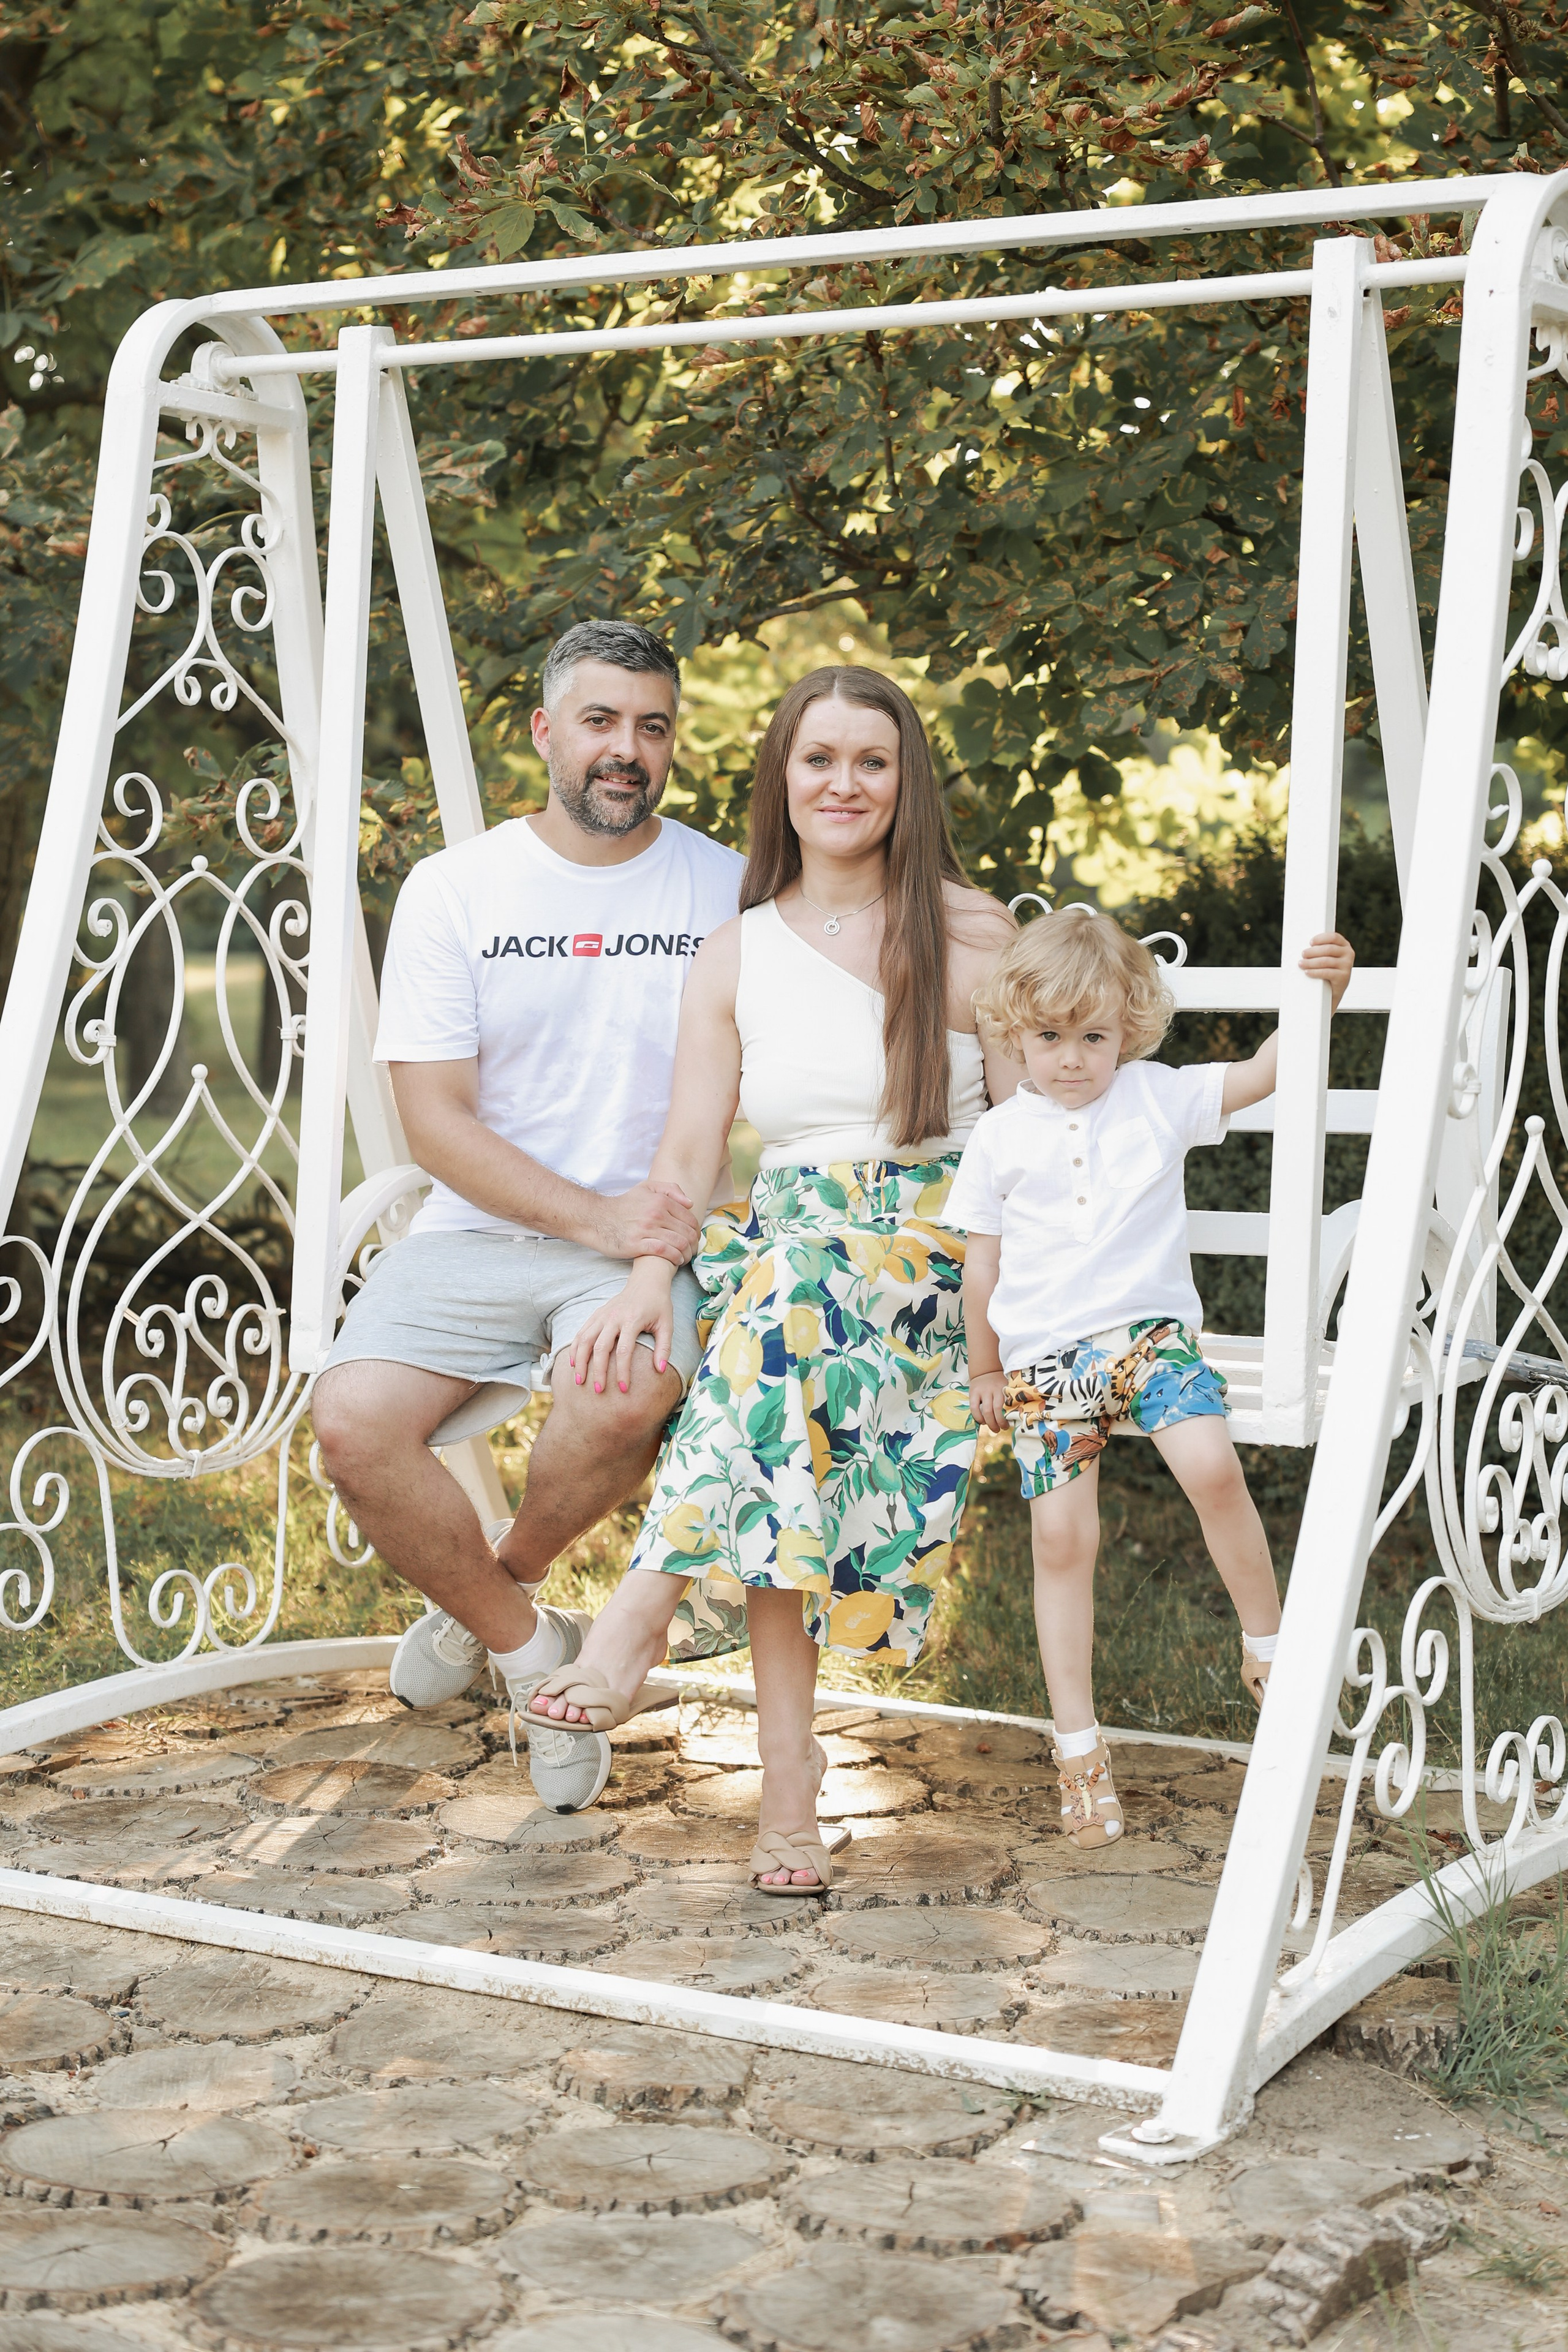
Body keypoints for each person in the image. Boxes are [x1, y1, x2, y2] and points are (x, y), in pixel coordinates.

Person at [522, 665, 1019, 1875]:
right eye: (817, 760)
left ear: (903, 784)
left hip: (932, 1251)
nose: (841, 783)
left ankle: (640, 1621)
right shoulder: (735, 949)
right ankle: (784, 1794)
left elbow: (1025, 1141)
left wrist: (1007, 1300)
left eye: (869, 761)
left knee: (780, 1318)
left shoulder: (971, 930)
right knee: (781, 1344)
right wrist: (648, 1276)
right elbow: (689, 1148)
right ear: (780, 781)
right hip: (795, 1263)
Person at [311, 620, 744, 1795]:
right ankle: (529, 1646)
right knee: (352, 1427)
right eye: (601, 722)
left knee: (625, 1387)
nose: (627, 750)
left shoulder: (732, 887)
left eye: (652, 727)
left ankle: (501, 1578)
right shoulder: (458, 889)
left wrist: (634, 1235)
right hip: (477, 1230)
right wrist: (599, 1221)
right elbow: (435, 1124)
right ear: (547, 732)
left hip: (643, 1253)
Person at [943, 902, 1355, 1849]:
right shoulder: (1001, 1137)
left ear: (1125, 1032)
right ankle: (1078, 1749)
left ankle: (1270, 1648)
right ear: (1017, 1033)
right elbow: (981, 1269)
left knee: (1213, 1465)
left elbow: (1261, 1074)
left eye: (1093, 1036)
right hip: (1047, 1361)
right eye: (1050, 1038)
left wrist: (1318, 993)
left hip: (1149, 1341)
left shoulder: (1159, 1096)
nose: (1073, 1058)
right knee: (1061, 1539)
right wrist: (985, 1369)